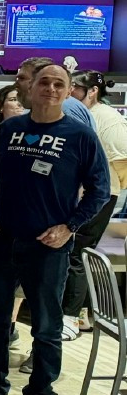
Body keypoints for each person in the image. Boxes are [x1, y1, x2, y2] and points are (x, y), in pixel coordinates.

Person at [0, 65, 110, 395]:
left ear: (69, 91)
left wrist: (70, 227)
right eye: (45, 82)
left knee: (45, 325)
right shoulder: (11, 128)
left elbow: (100, 190)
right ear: (32, 88)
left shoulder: (80, 136)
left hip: (47, 245)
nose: (51, 89)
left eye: (60, 84)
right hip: (2, 240)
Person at [64, 71, 127, 336]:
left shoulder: (108, 119)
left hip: (98, 196)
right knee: (74, 253)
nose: (69, 93)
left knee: (77, 253)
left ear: (92, 91)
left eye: (74, 88)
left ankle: (69, 319)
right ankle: (80, 315)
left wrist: (111, 188)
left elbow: (123, 160)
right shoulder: (80, 113)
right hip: (82, 194)